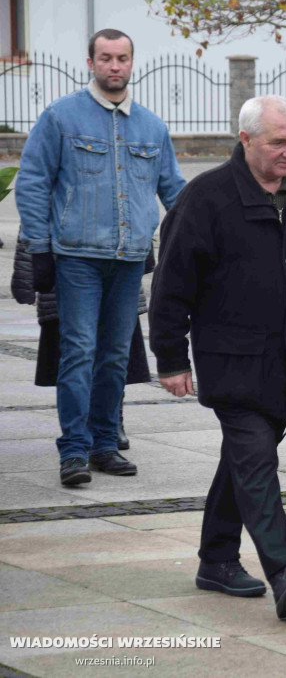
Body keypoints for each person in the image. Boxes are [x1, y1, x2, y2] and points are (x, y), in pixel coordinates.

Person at [149, 95, 286, 619]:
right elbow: (171, 287)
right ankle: (285, 569)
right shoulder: (205, 200)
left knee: (243, 461)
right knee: (256, 458)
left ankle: (216, 559)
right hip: (231, 361)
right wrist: (171, 359)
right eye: (278, 142)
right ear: (246, 141)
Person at [15, 29, 186, 487]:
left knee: (113, 355)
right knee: (79, 351)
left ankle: (105, 444)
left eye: (123, 58)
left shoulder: (151, 126)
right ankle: (73, 450)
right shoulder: (60, 117)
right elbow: (31, 183)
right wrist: (39, 247)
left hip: (129, 259)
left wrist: (220, 227)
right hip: (75, 258)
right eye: (106, 58)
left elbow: (176, 192)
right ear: (90, 62)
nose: (115, 66)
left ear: (133, 63)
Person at [12, 240, 152, 450]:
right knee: (75, 361)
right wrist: (25, 280)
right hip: (65, 276)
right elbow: (33, 225)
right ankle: (78, 432)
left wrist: (145, 252)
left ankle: (112, 422)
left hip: (119, 275)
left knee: (114, 361)